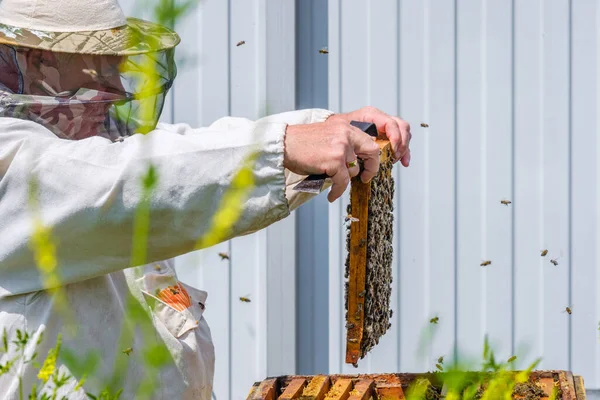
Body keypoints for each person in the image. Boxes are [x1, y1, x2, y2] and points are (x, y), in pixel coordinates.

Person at [0, 0, 412, 398]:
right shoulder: (19, 168)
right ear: (32, 65)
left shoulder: (95, 175)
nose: (114, 91)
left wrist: (322, 130)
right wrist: (282, 145)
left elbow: (174, 158)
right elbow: (116, 180)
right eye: (95, 73)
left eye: (115, 72)